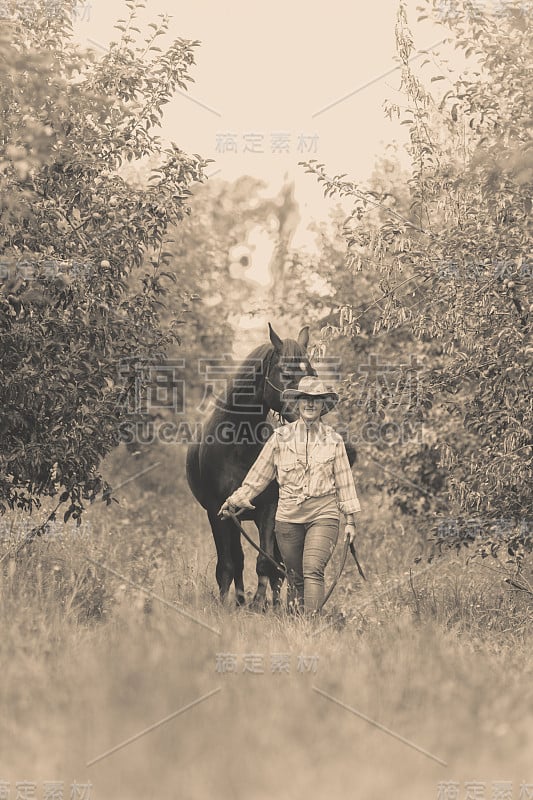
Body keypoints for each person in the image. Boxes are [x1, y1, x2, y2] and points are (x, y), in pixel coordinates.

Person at [218, 376, 361, 613]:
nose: (310, 404)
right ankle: (296, 626)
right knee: (294, 576)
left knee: (313, 570)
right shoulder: (280, 438)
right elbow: (258, 476)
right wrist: (234, 501)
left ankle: (309, 625)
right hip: (288, 518)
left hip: (323, 514)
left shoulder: (334, 441)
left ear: (323, 405)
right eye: (305, 399)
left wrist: (351, 521)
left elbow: (345, 482)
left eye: (316, 400)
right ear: (297, 403)